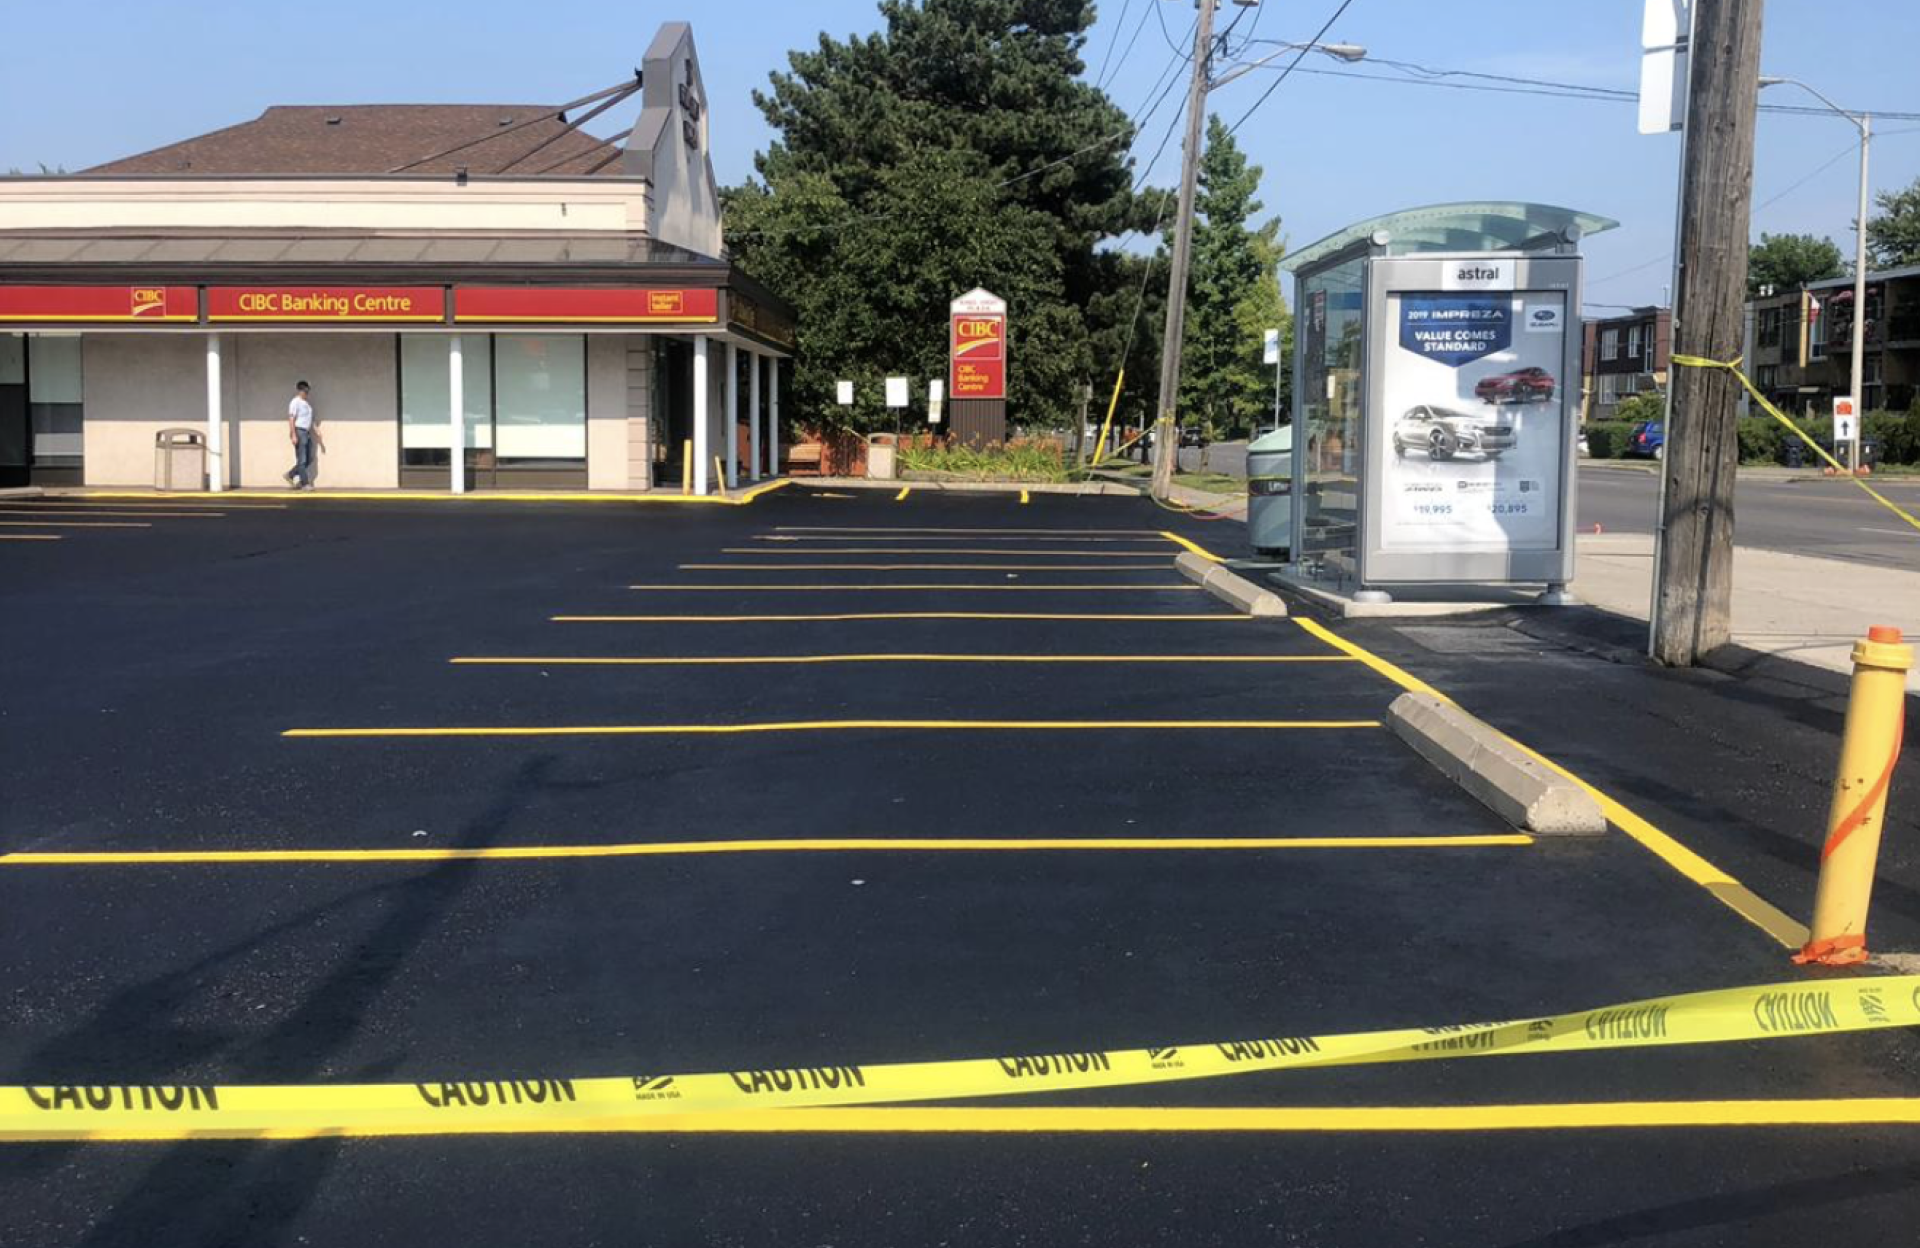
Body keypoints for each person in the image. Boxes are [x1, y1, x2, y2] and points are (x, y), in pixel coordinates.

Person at [284, 381, 322, 489]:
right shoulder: (295, 402)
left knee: (310, 458)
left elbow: (311, 420)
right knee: (302, 459)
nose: (307, 392)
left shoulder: (307, 404)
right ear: (300, 390)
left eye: (308, 390)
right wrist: (293, 434)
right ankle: (304, 483)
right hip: (299, 431)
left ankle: (291, 474)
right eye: (306, 390)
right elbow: (291, 418)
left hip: (307, 432)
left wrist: (316, 430)